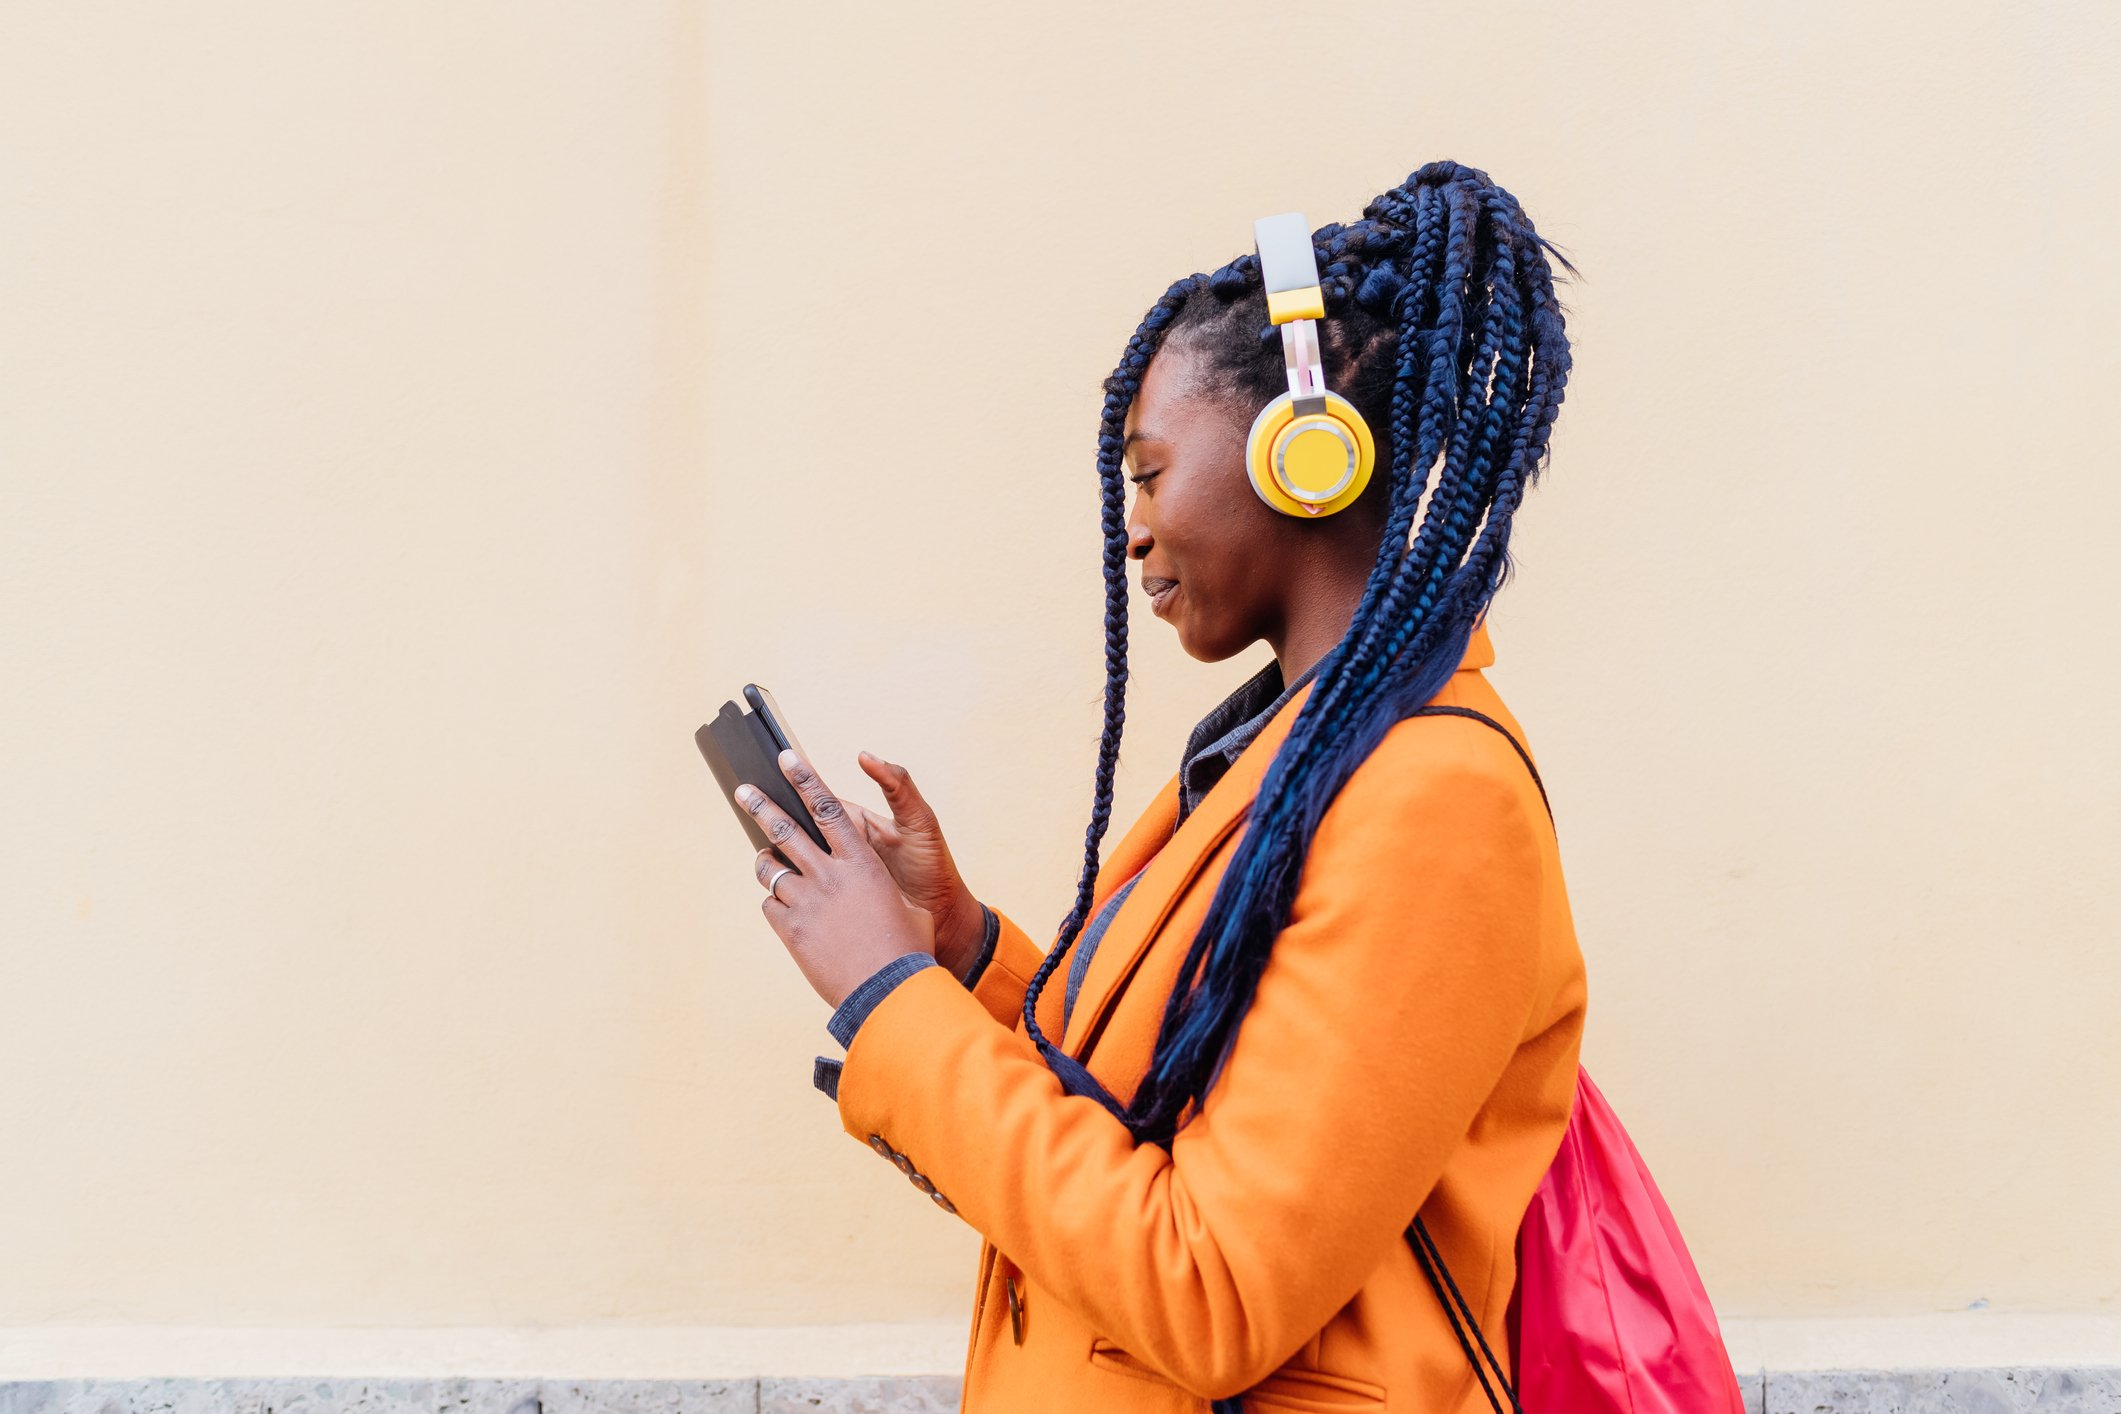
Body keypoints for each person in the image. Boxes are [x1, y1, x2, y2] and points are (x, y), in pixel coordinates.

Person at [733, 160, 1587, 1413]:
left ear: (1308, 451)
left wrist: (888, 994)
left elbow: (1213, 1286)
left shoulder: (1434, 799)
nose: (1129, 528)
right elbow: (1165, 1107)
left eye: (1146, 472)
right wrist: (961, 951)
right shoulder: (1288, 755)